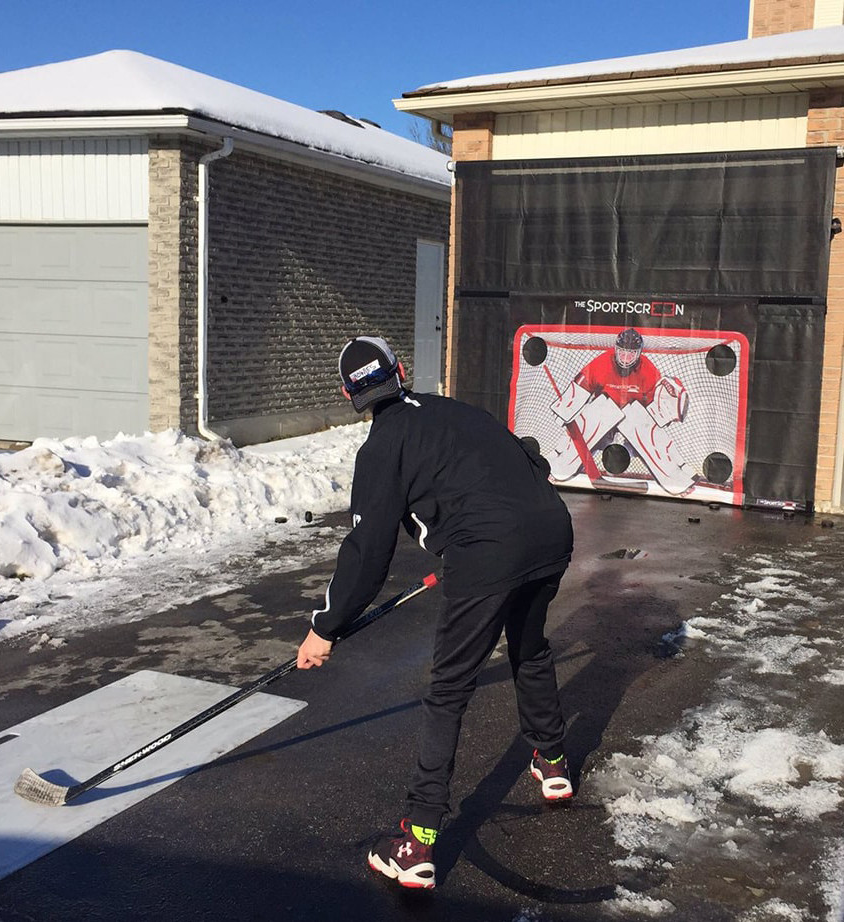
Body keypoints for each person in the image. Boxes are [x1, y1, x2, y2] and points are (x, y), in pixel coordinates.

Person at [296, 335, 574, 890]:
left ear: (348, 393)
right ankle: (553, 764)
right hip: (550, 531)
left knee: (448, 689)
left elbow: (367, 552)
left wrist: (324, 628)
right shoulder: (455, 409)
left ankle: (417, 839)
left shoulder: (381, 448)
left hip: (489, 552)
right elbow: (530, 455)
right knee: (530, 647)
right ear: (400, 370)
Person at [547, 328, 696, 495]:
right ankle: (557, 467)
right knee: (589, 417)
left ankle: (676, 478)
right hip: (602, 428)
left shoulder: (648, 370)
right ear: (616, 349)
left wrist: (669, 406)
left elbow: (654, 412)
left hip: (630, 433)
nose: (625, 359)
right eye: (622, 353)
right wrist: (564, 411)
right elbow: (578, 389)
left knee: (648, 429)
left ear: (638, 353)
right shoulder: (601, 362)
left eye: (631, 354)